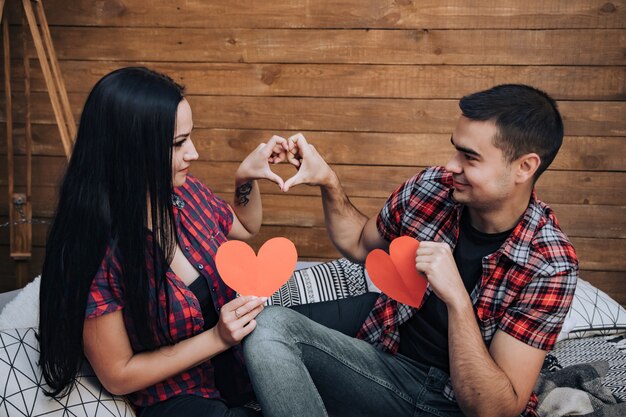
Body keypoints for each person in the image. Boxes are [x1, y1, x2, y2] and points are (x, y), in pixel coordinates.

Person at [243, 84, 579, 417]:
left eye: (470, 157)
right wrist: (328, 180)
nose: (451, 165)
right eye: (455, 150)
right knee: (269, 327)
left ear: (524, 167)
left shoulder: (550, 263)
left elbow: (492, 409)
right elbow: (360, 244)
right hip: (388, 363)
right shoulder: (432, 189)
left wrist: (458, 300)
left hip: (453, 404)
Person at [38, 66, 292, 416]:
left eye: (190, 137)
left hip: (237, 370)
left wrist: (245, 177)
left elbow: (246, 229)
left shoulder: (185, 195)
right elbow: (117, 375)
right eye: (178, 144)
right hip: (177, 398)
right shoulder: (93, 250)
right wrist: (217, 338)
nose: (194, 153)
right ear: (129, 151)